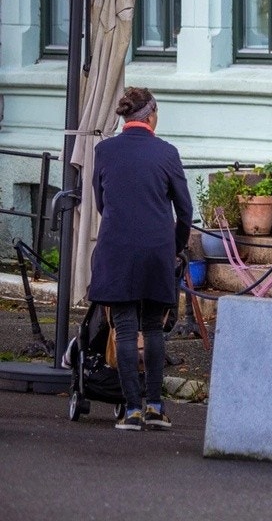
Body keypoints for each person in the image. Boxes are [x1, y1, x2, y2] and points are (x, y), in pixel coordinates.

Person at [89, 87, 192, 431]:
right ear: (151, 115)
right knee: (153, 327)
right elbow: (185, 210)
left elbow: (101, 202)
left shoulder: (104, 151)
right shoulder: (166, 153)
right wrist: (174, 247)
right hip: (156, 249)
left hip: (116, 247)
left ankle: (131, 410)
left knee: (124, 327)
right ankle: (155, 406)